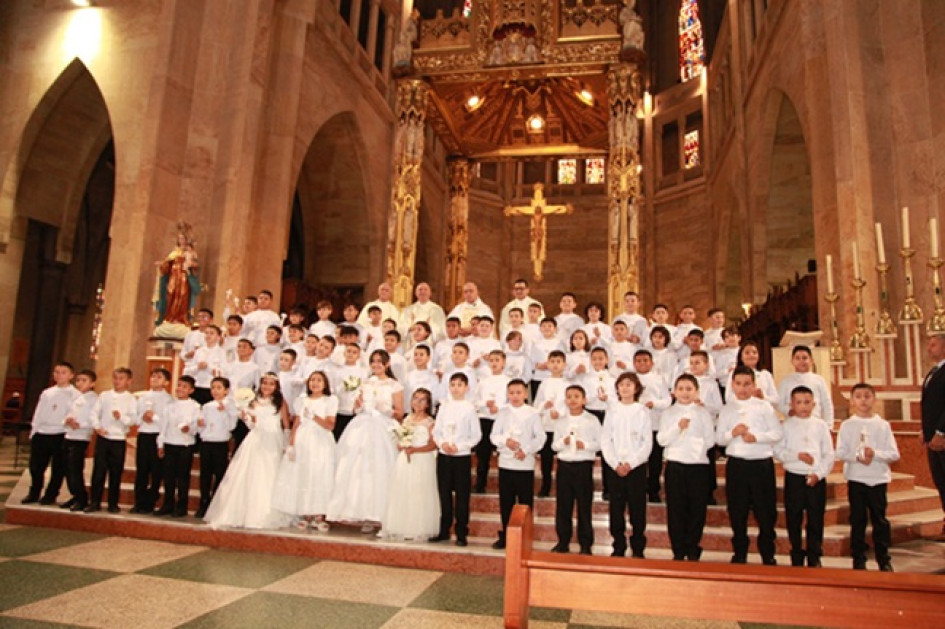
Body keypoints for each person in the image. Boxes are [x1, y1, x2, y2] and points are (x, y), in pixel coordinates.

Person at [327, 349, 403, 533]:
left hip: (383, 426)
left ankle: (381, 514)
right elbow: (355, 409)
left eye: (380, 361)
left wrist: (386, 409)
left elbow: (400, 412)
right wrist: (358, 404)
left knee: (380, 468)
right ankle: (363, 512)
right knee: (357, 469)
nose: (376, 364)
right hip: (362, 425)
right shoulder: (365, 383)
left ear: (387, 364)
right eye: (373, 361)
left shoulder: (395, 385)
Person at [203, 373, 292, 529]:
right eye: (264, 383)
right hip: (256, 438)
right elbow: (253, 425)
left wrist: (287, 444)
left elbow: (286, 425)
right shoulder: (253, 402)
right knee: (251, 472)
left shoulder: (280, 402)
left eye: (271, 384)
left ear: (276, 386)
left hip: (273, 439)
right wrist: (246, 418)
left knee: (270, 473)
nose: (267, 386)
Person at [717, 366, 782, 565]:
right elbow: (719, 439)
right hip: (737, 465)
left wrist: (757, 438)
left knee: (765, 511)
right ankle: (740, 552)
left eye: (747, 384)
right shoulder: (727, 409)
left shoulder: (764, 407)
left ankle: (767, 553)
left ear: (754, 385)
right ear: (732, 385)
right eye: (738, 384)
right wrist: (732, 434)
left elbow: (777, 433)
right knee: (738, 510)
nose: (743, 388)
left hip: (761, 463)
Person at [836, 382, 900, 571]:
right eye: (858, 396)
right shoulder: (848, 425)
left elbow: (894, 454)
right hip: (856, 478)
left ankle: (883, 558)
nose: (863, 400)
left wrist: (875, 454)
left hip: (878, 478)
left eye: (867, 396)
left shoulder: (883, 425)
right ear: (852, 400)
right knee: (857, 519)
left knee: (879, 520)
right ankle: (858, 558)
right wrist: (857, 456)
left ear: (874, 399)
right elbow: (840, 452)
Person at [774, 386, 835, 567]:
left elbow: (829, 454)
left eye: (807, 402)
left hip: (816, 478)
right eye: (799, 402)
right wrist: (796, 456)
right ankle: (796, 553)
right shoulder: (786, 425)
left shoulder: (820, 425)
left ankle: (814, 554)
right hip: (794, 476)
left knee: (816, 518)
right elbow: (778, 450)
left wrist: (819, 473)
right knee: (794, 517)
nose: (803, 406)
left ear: (814, 404)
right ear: (791, 404)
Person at [657, 374, 714, 561]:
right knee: (676, 510)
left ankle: (692, 546)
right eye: (681, 388)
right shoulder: (668, 413)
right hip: (675, 465)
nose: (685, 392)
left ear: (696, 391)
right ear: (674, 392)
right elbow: (662, 440)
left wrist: (695, 448)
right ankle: (678, 549)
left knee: (697, 510)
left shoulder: (703, 413)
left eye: (689, 389)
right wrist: (678, 428)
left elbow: (710, 441)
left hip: (698, 466)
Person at [273, 371, 337, 532]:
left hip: (320, 440)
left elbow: (330, 425)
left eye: (319, 380)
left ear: (325, 384)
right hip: (303, 440)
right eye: (312, 380)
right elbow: (296, 424)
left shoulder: (330, 400)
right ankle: (304, 514)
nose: (315, 383)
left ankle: (318, 515)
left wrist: (314, 416)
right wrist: (291, 444)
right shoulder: (301, 400)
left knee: (319, 475)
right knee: (302, 474)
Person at [601, 372, 652, 558]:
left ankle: (638, 546)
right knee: (616, 508)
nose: (625, 387)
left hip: (636, 468)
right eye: (621, 384)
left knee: (638, 508)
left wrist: (631, 463)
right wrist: (615, 464)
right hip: (615, 467)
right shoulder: (612, 411)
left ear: (636, 388)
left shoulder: (643, 411)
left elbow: (647, 442)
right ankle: (618, 544)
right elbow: (606, 440)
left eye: (629, 384)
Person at [490, 379, 545, 550]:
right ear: (507, 394)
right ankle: (507, 536)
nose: (515, 396)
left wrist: (526, 450)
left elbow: (540, 437)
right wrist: (505, 441)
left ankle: (525, 536)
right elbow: (494, 435)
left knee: (525, 503)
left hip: (524, 464)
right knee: (506, 503)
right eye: (511, 393)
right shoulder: (502, 413)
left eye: (518, 392)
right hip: (506, 463)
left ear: (526, 394)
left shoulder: (532, 413)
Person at [430, 373, 481, 547]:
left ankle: (461, 532)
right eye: (453, 384)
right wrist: (442, 444)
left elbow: (476, 435)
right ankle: (444, 530)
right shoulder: (444, 407)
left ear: (467, 388)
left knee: (462, 496)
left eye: (460, 385)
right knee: (443, 494)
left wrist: (459, 447)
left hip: (461, 457)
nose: (456, 388)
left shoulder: (470, 408)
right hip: (444, 456)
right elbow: (436, 431)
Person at [384, 388, 440, 541]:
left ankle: (418, 527)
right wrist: (402, 445)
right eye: (415, 398)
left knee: (419, 492)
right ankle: (402, 525)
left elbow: (433, 445)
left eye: (422, 399)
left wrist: (415, 449)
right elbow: (400, 439)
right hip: (405, 459)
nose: (418, 402)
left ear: (428, 404)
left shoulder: (430, 422)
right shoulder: (407, 419)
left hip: (422, 459)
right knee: (403, 490)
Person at [551, 385, 601, 555]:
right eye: (569, 396)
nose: (572, 400)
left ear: (584, 400)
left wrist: (584, 445)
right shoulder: (561, 421)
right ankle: (563, 541)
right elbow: (553, 445)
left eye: (576, 396)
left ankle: (585, 544)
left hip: (583, 466)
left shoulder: (592, 420)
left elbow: (600, 443)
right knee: (563, 506)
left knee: (584, 506)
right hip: (564, 465)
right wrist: (563, 442)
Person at [23, 361, 77, 505]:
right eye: (57, 372)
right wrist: (34, 431)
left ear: (71, 375)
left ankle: (51, 494)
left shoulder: (75, 394)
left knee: (58, 468)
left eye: (63, 372)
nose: (59, 375)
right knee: (36, 467)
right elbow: (38, 413)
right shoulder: (47, 393)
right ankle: (34, 492)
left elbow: (73, 414)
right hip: (42, 433)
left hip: (60, 434)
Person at [87, 367, 138, 513]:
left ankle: (112, 503)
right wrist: (98, 427)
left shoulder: (131, 398)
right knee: (98, 471)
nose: (117, 381)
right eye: (115, 378)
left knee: (116, 472)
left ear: (128, 381)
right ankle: (94, 501)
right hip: (103, 438)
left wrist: (121, 417)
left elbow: (133, 419)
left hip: (118, 439)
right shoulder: (104, 395)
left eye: (121, 378)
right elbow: (94, 413)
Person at [154, 376, 201, 517]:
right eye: (179, 385)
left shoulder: (195, 407)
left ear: (191, 390)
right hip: (170, 443)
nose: (180, 389)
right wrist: (160, 444)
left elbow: (197, 426)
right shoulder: (169, 406)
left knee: (182, 477)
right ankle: (167, 504)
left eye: (184, 386)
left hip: (185, 445)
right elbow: (163, 426)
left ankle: (181, 507)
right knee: (168, 477)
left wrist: (190, 429)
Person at [131, 368, 173, 514]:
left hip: (158, 435)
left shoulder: (169, 400)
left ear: (166, 382)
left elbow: (168, 422)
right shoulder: (142, 397)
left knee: (156, 471)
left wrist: (154, 418)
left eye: (159, 377)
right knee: (142, 470)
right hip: (144, 434)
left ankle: (150, 501)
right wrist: (142, 417)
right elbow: (134, 416)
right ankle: (138, 502)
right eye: (153, 376)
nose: (155, 379)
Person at [195, 377, 238, 519]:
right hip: (207, 443)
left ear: (226, 391)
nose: (215, 391)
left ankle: (216, 503)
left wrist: (225, 412)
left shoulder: (231, 406)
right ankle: (204, 502)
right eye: (213, 387)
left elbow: (231, 426)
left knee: (219, 474)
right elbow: (201, 427)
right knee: (205, 475)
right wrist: (200, 425)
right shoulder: (207, 406)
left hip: (220, 444)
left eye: (219, 387)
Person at [920, 333, 945, 540]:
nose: (929, 347)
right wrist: (925, 430)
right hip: (932, 438)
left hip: (943, 437)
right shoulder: (933, 372)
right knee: (941, 482)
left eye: (933, 344)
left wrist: (940, 432)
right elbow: (932, 405)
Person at [474, 350, 510, 493]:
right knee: (483, 454)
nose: (494, 363)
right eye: (492, 360)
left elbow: (512, 401)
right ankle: (480, 484)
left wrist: (499, 407)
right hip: (485, 420)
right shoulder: (483, 381)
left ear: (503, 363)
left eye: (497, 360)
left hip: (501, 420)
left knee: (504, 453)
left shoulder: (508, 381)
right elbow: (475, 401)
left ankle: (504, 486)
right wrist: (485, 403)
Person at [61, 369, 97, 512]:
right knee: (67, 468)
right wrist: (67, 420)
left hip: (81, 437)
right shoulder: (74, 397)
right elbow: (66, 413)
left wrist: (79, 425)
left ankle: (82, 498)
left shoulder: (94, 399)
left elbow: (93, 418)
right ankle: (75, 495)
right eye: (78, 380)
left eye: (84, 380)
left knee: (75, 468)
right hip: (69, 435)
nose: (80, 383)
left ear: (92, 383)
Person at [534, 350, 568, 497]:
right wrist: (544, 407)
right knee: (546, 458)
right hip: (546, 425)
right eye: (552, 362)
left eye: (558, 361)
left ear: (564, 365)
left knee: (562, 457)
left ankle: (562, 487)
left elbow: (571, 404)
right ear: (548, 364)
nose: (555, 365)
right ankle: (545, 485)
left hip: (562, 426)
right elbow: (536, 405)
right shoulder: (543, 384)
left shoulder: (568, 384)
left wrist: (559, 413)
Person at [153, 223, 200, 329]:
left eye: (183, 238)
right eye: (179, 238)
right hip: (173, 278)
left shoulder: (191, 252)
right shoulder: (174, 252)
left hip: (183, 277)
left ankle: (181, 318)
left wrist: (190, 265)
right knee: (170, 295)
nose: (181, 240)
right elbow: (167, 264)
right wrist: (162, 264)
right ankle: (169, 317)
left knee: (183, 295)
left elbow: (196, 265)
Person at [776, 345, 834, 429]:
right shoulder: (786, 381)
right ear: (792, 361)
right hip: (793, 425)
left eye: (804, 358)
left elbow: (827, 404)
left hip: (815, 424)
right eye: (797, 358)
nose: (801, 361)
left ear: (811, 361)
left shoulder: (819, 380)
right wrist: (789, 411)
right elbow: (779, 403)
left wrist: (829, 426)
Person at [724, 341, 778, 406]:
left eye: (754, 352)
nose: (751, 355)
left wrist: (763, 397)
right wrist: (746, 396)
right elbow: (728, 398)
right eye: (747, 353)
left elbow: (776, 400)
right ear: (741, 357)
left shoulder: (765, 374)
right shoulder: (734, 373)